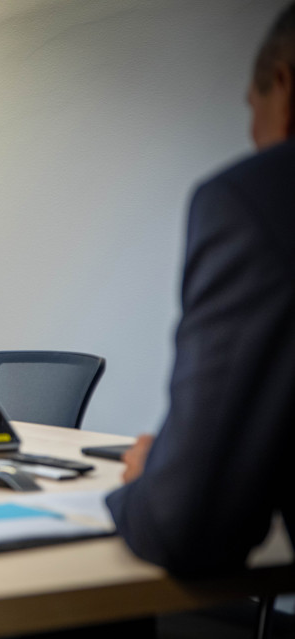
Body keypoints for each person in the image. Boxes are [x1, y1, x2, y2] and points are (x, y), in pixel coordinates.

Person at [106, 3, 295, 576]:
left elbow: (187, 527)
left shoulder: (254, 200)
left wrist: (151, 483)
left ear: (282, 86)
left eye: (251, 106)